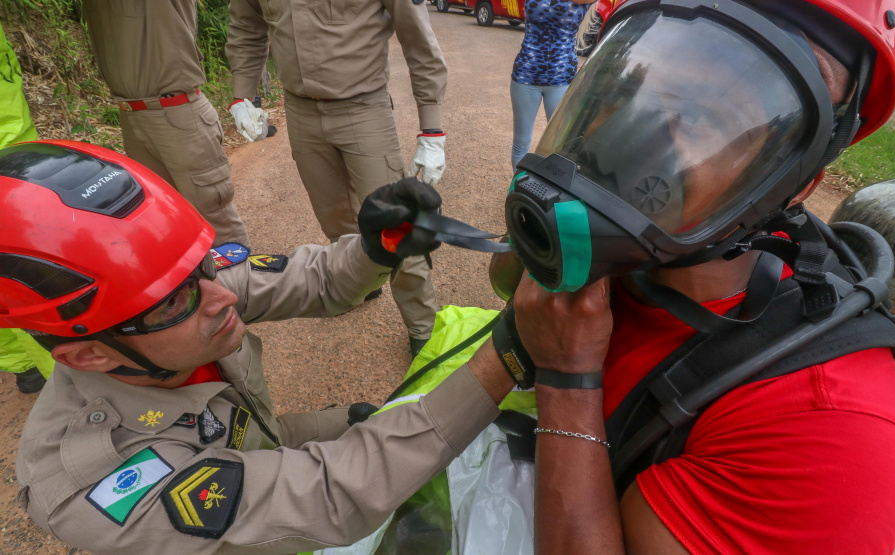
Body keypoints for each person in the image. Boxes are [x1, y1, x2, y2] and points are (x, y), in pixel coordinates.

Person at [489, 0, 895, 552]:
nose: (632, 141)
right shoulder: (628, 253)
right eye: (626, 89)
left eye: (708, 115)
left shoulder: (840, 438)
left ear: (797, 182)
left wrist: (567, 376)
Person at [6, 140, 571, 553]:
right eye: (174, 300)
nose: (220, 297)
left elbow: (312, 280)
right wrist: (506, 358)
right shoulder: (100, 484)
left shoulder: (171, 304)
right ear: (88, 356)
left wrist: (375, 249)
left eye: (201, 265)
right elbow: (329, 495)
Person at [225, 0, 448, 357]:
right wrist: (242, 93)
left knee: (397, 223)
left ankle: (423, 326)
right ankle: (359, 279)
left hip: (364, 109)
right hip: (300, 110)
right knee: (334, 215)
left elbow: (418, 40)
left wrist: (432, 128)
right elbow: (247, 27)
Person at [81, 0, 251, 247]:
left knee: (215, 220)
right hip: (131, 115)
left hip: (177, 114)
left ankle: (240, 284)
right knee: (165, 220)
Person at [0, 20, 55, 393]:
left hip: (13, 140)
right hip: (12, 153)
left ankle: (23, 365)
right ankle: (69, 381)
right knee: (29, 265)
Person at [509, 0, 594, 171]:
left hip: (562, 78)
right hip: (525, 74)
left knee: (559, 145)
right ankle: (517, 188)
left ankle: (549, 192)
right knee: (521, 142)